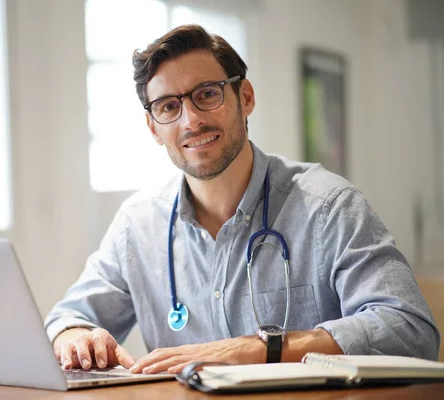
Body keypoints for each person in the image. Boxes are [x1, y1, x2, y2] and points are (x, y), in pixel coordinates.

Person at [45, 24, 440, 374]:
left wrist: (256, 350)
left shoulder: (328, 207)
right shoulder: (138, 224)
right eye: (169, 106)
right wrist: (74, 336)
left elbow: (409, 328)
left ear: (245, 97)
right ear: (153, 126)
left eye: (207, 94)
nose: (191, 120)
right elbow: (68, 318)